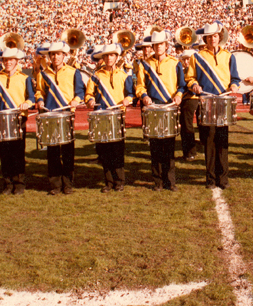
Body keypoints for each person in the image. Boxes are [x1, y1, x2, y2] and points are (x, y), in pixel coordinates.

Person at [185, 22, 240, 190]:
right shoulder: (197, 56)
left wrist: (234, 86)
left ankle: (223, 178)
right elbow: (189, 78)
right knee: (209, 141)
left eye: (215, 36)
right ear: (206, 38)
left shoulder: (229, 56)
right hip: (206, 101)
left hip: (223, 101)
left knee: (222, 141)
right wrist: (194, 85)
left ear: (220, 37)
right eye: (209, 37)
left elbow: (235, 78)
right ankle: (210, 178)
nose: (212, 39)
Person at [135, 30, 186, 191]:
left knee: (169, 146)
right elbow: (140, 85)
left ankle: (170, 181)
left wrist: (178, 96)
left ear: (166, 45)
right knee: (155, 146)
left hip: (169, 107)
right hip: (153, 107)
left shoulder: (174, 62)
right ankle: (157, 181)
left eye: (161, 44)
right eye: (155, 45)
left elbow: (182, 85)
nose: (158, 47)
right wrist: (143, 96)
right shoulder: (144, 64)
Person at [0, 47, 34, 195]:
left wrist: (27, 104)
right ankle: (7, 183)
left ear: (16, 61)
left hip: (17, 117)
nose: (8, 62)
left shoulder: (25, 78)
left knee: (18, 151)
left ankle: (19, 183)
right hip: (0, 117)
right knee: (4, 152)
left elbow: (31, 98)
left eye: (11, 59)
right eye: (5, 59)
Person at [35, 41, 86, 195]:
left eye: (58, 54)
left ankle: (68, 183)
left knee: (68, 151)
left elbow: (80, 92)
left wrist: (77, 99)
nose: (55, 57)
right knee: (52, 151)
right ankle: (55, 185)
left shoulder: (73, 72)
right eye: (52, 54)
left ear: (64, 55)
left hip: (66, 114)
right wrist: (39, 100)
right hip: (50, 115)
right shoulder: (42, 74)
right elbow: (39, 91)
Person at [85, 43, 134, 193]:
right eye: (106, 55)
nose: (109, 58)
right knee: (104, 151)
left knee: (117, 151)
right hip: (101, 117)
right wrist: (90, 101)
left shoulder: (125, 76)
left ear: (116, 57)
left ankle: (119, 181)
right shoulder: (96, 76)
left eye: (111, 55)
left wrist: (128, 100)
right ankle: (108, 182)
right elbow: (88, 94)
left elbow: (131, 94)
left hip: (117, 116)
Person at [177, 49, 200, 161]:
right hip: (185, 100)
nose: (186, 61)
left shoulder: (193, 71)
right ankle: (188, 151)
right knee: (185, 126)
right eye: (184, 59)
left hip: (191, 99)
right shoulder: (184, 70)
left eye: (188, 59)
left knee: (187, 126)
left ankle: (190, 152)